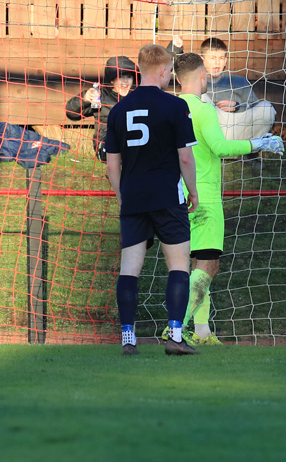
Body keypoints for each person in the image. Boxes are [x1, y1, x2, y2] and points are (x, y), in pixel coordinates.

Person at [157, 52, 285, 346]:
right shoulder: (204, 110)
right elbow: (220, 147)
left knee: (196, 266)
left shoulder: (170, 108)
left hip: (176, 196)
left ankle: (202, 332)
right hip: (204, 197)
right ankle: (176, 325)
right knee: (209, 266)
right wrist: (259, 142)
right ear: (202, 75)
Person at [105, 44, 200, 356]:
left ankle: (128, 338)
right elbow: (185, 158)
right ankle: (175, 336)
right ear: (162, 71)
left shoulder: (118, 110)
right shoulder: (175, 106)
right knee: (179, 266)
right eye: (169, 71)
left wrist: (123, 196)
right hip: (167, 197)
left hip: (134, 198)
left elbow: (112, 165)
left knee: (129, 269)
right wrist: (193, 191)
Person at [167, 36, 276, 141]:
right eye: (213, 58)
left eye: (221, 58)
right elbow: (181, 67)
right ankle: (212, 146)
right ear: (202, 60)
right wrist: (176, 48)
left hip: (237, 127)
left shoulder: (239, 81)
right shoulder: (196, 80)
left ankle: (250, 148)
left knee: (267, 108)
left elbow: (255, 106)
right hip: (209, 128)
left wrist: (238, 106)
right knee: (200, 96)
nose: (217, 62)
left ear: (225, 60)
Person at [66, 56, 138, 161]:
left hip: (133, 142)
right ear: (112, 80)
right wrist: (84, 99)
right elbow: (71, 113)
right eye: (120, 77)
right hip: (106, 145)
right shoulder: (100, 95)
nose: (125, 81)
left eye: (129, 77)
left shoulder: (139, 96)